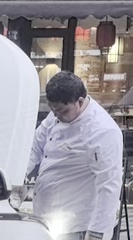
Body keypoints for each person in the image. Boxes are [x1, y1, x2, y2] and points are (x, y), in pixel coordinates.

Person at [27, 72, 124, 240]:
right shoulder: (56, 114)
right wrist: (17, 178)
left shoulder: (103, 131)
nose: (57, 115)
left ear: (79, 102)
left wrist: (97, 232)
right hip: (45, 217)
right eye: (53, 110)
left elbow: (109, 185)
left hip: (76, 224)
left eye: (63, 111)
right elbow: (35, 147)